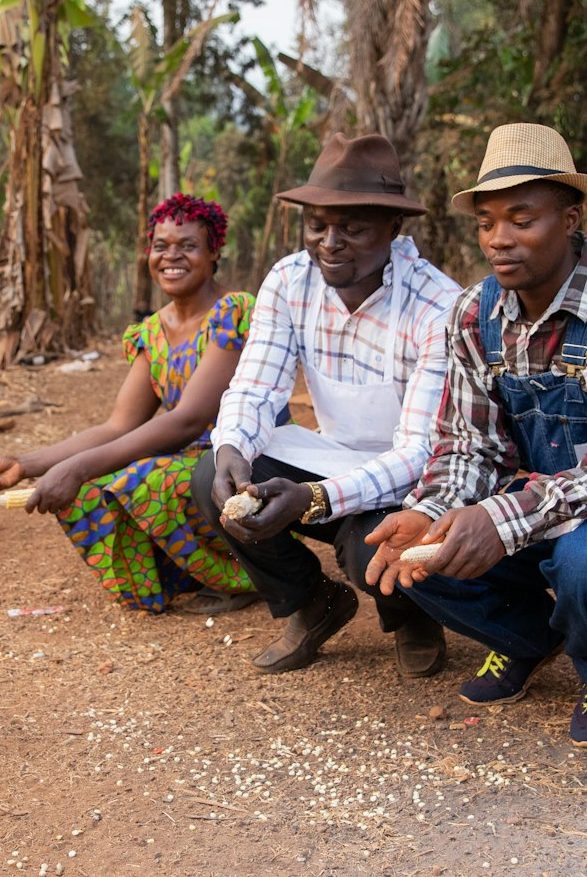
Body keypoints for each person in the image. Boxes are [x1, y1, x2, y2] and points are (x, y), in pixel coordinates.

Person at [364, 123, 587, 748]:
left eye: (521, 218)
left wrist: (501, 517)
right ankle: (526, 637)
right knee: (408, 554)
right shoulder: (472, 314)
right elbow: (469, 445)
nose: (499, 240)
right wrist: (429, 510)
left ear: (571, 218)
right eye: (487, 223)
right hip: (528, 504)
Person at [194, 133, 462, 677]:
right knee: (211, 478)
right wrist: (231, 451)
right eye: (317, 225)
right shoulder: (290, 281)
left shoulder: (439, 306)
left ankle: (410, 617)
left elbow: (420, 451)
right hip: (333, 456)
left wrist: (315, 499)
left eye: (353, 228)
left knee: (373, 557)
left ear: (394, 229)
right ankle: (312, 602)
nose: (330, 242)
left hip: (412, 478)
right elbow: (255, 387)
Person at [0, 194, 259, 615]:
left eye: (188, 246)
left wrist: (79, 466)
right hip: (187, 462)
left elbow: (188, 420)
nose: (171, 256)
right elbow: (117, 426)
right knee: (88, 488)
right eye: (161, 246)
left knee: (140, 479)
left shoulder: (233, 312)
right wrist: (27, 464)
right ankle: (183, 575)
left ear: (214, 252)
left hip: (244, 462)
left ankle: (247, 574)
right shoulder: (151, 332)